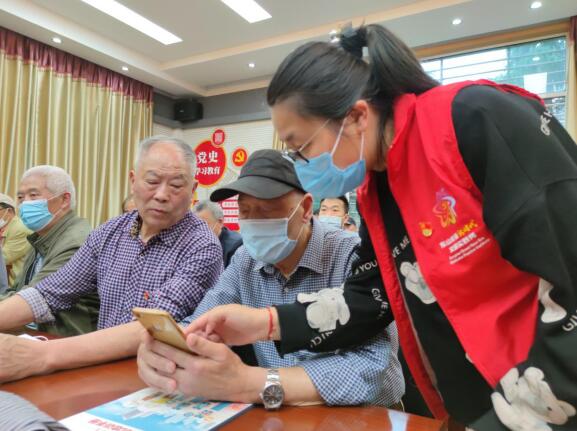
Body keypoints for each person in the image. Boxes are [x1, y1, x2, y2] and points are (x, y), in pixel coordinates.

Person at [187, 24, 577, 431]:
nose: (302, 166)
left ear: (357, 116)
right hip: (480, 402)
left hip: (546, 397)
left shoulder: (472, 118)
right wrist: (266, 323)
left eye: (302, 148)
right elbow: (367, 299)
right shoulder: (381, 186)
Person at [137, 150, 403, 408]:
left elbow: (374, 368)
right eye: (245, 211)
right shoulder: (245, 259)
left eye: (267, 210)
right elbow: (201, 323)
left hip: (362, 416)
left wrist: (250, 382)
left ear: (305, 208)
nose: (254, 222)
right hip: (277, 412)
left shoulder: (351, 256)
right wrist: (166, 350)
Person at [0, 136, 222, 383]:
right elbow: (49, 292)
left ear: (193, 190)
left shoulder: (202, 246)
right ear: (133, 181)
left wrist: (41, 355)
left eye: (176, 185)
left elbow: (152, 327)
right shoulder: (110, 232)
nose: (161, 194)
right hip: (102, 370)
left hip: (162, 379)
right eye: (152, 181)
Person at [1, 166, 99, 336]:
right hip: (35, 332)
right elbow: (17, 291)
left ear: (64, 200)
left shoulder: (76, 242)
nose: (24, 204)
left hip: (64, 341)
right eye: (20, 197)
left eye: (33, 195)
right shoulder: (42, 236)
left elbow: (32, 302)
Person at [193, 200, 242, 268]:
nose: (200, 230)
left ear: (220, 222)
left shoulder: (236, 245)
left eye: (204, 225)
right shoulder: (195, 244)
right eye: (196, 226)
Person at [0, 193, 31, 287]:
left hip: (15, 286)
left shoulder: (20, 228)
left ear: (8, 211)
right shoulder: (3, 227)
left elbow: (3, 258)